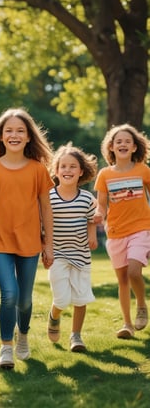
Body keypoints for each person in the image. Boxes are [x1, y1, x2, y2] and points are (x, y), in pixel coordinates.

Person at [0, 107, 54, 369]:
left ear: (29, 137)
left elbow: (46, 209)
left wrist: (48, 245)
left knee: (25, 299)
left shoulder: (38, 170)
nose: (14, 135)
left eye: (20, 130)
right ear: (0, 136)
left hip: (30, 242)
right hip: (0, 242)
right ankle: (6, 347)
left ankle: (24, 336)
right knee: (9, 294)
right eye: (9, 131)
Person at [94, 123, 150, 339]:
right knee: (123, 280)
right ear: (111, 147)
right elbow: (101, 203)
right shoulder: (104, 174)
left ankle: (142, 306)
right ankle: (127, 324)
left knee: (134, 272)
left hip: (141, 228)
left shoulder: (143, 170)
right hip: (115, 231)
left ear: (135, 147)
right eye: (119, 141)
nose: (123, 144)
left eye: (128, 141)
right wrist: (99, 214)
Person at [46, 142, 98, 352]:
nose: (68, 170)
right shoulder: (48, 197)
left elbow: (92, 219)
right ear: (56, 171)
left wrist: (92, 235)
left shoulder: (86, 198)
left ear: (81, 171)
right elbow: (42, 224)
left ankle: (76, 336)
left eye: (72, 166)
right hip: (57, 254)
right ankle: (54, 315)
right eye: (63, 166)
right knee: (62, 298)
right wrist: (45, 246)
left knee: (81, 298)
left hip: (81, 255)